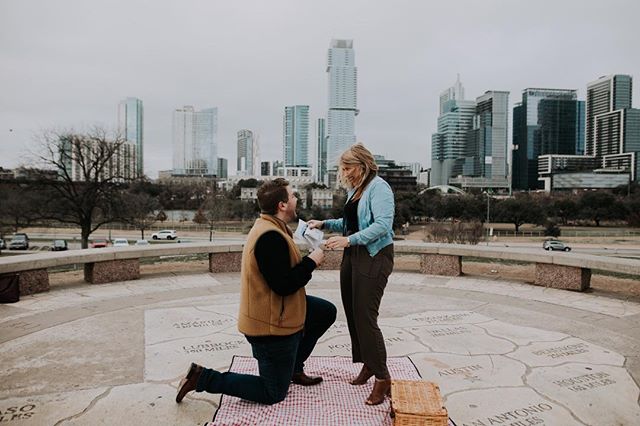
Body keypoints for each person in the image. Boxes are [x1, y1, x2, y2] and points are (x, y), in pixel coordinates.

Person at [176, 178, 337, 406]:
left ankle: (293, 368)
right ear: (282, 204)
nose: (296, 199)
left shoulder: (272, 228)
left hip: (280, 310)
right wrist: (311, 262)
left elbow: (280, 272)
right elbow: (283, 285)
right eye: (292, 195)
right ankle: (203, 378)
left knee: (324, 312)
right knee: (272, 393)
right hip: (270, 327)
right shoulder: (270, 237)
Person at [308, 143, 395, 406]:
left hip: (374, 255)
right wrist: (324, 224)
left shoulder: (379, 187)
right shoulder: (355, 190)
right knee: (353, 314)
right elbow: (349, 223)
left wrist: (349, 241)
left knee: (366, 317)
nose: (344, 172)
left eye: (348, 167)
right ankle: (368, 364)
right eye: (342, 168)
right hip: (354, 254)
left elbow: (382, 225)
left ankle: (382, 377)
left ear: (363, 166)